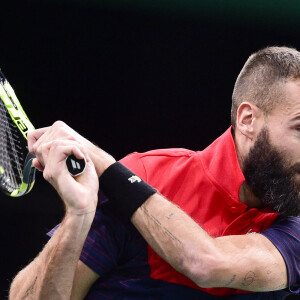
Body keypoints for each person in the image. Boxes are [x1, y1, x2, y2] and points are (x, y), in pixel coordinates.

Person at [9, 46, 300, 299]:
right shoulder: (149, 174)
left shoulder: (294, 225)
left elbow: (205, 263)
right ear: (247, 120)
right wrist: (79, 216)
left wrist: (108, 167)